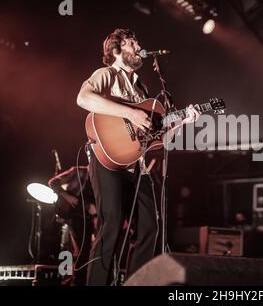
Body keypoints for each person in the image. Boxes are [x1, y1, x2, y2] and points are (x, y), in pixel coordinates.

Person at [76, 28, 200, 286]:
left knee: (150, 227)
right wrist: (131, 114)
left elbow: (157, 139)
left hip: (137, 165)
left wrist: (183, 121)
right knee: (110, 226)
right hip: (106, 159)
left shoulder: (142, 88)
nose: (139, 47)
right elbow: (83, 98)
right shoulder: (106, 75)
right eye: (133, 43)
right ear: (116, 50)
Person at [48, 166, 97, 286]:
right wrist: (67, 196)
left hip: (91, 217)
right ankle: (77, 282)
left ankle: (79, 281)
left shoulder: (102, 177)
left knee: (91, 252)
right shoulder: (79, 171)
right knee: (83, 251)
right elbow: (53, 182)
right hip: (76, 215)